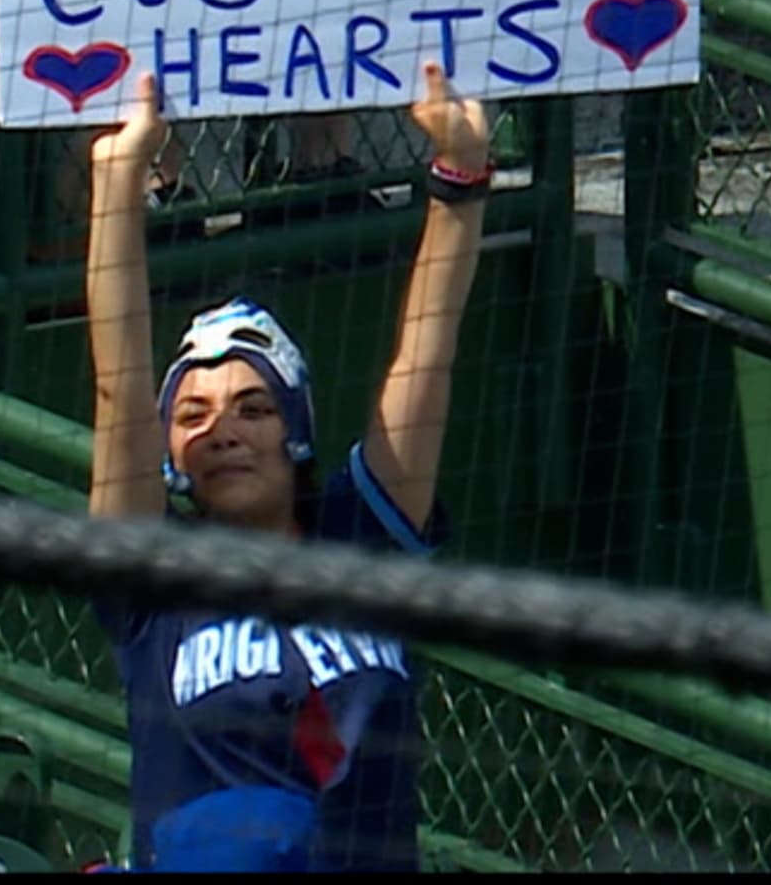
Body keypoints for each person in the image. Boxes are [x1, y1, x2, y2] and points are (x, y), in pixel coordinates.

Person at [79, 66, 489, 871]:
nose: (223, 430)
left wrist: (461, 179)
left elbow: (429, 350)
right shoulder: (154, 587)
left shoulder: (366, 539)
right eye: (193, 415)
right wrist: (118, 187)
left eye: (254, 408)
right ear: (169, 458)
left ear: (296, 434)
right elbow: (119, 390)